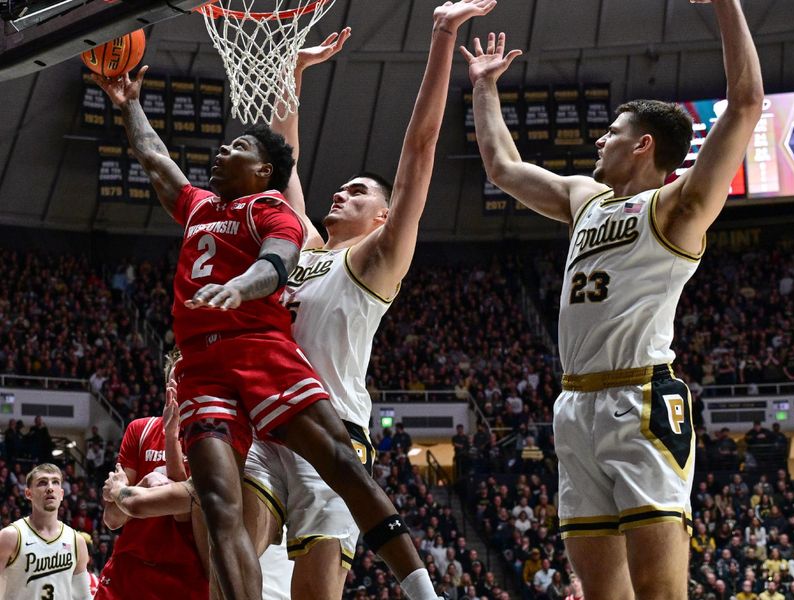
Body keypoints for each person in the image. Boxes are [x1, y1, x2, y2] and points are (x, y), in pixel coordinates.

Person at [93, 16, 472, 594]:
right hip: (256, 417)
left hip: (326, 415)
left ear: (382, 217)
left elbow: (417, 154)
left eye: (358, 191)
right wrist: (290, 75)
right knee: (222, 536)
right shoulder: (300, 241)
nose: (339, 192)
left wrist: (443, 37)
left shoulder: (373, 260)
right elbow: (277, 162)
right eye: (338, 187)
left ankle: (424, 590)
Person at [462, 0, 763, 598]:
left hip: (641, 400)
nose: (600, 139)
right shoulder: (584, 198)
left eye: (613, 133)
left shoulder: (677, 208)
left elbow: (748, 103)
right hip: (574, 407)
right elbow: (501, 166)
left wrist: (726, 6)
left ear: (643, 145)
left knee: (657, 589)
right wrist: (484, 89)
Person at [94, 350, 208, 600]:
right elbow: (112, 519)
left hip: (185, 575)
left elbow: (184, 509)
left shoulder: (211, 441)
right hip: (128, 570)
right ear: (169, 385)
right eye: (178, 379)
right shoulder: (140, 430)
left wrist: (170, 438)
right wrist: (136, 490)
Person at [0, 463, 91, 599]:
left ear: (61, 494)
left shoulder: (76, 541)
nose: (50, 488)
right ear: (28, 493)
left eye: (55, 482)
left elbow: (83, 597)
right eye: (42, 483)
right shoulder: (10, 537)